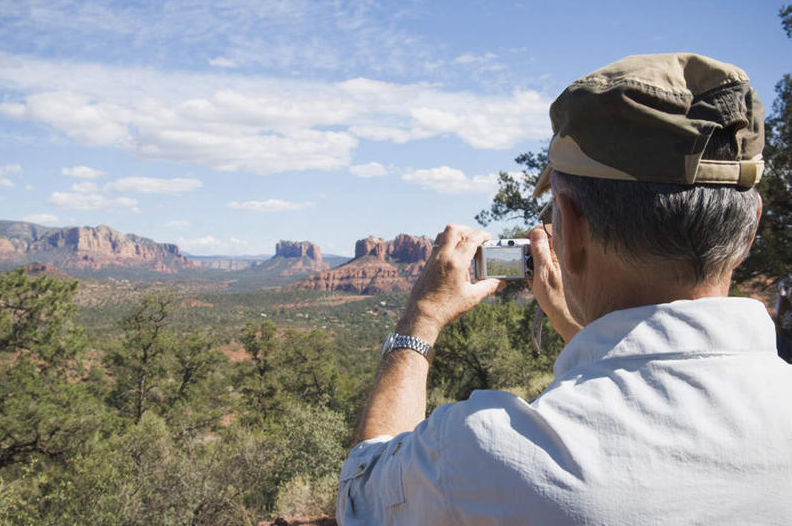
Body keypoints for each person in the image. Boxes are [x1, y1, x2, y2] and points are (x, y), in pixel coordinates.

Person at [336, 53, 792, 525]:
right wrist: (581, 329)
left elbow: (363, 492)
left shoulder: (483, 458)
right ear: (749, 229)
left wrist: (422, 319)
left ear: (569, 228)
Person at [776, 276, 792, 362]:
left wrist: (777, 322)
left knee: (784, 361)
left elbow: (783, 303)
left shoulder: (787, 282)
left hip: (787, 327)